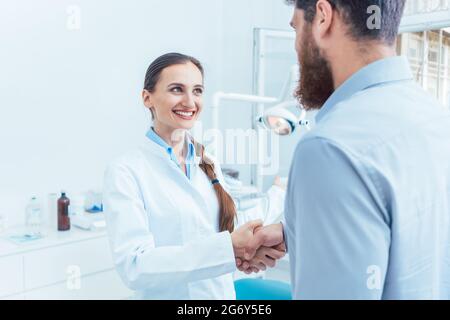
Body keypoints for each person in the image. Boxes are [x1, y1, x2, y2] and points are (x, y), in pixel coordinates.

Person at [241, 0, 450, 299]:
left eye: (296, 29)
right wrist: (298, 231)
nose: (297, 51)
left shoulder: (330, 148)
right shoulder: (437, 119)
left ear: (323, 17)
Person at [103, 53, 285, 300]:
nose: (190, 101)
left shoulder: (207, 161)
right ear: (147, 98)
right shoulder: (126, 171)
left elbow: (224, 229)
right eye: (177, 89)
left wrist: (250, 246)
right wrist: (229, 249)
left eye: (197, 90)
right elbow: (135, 266)